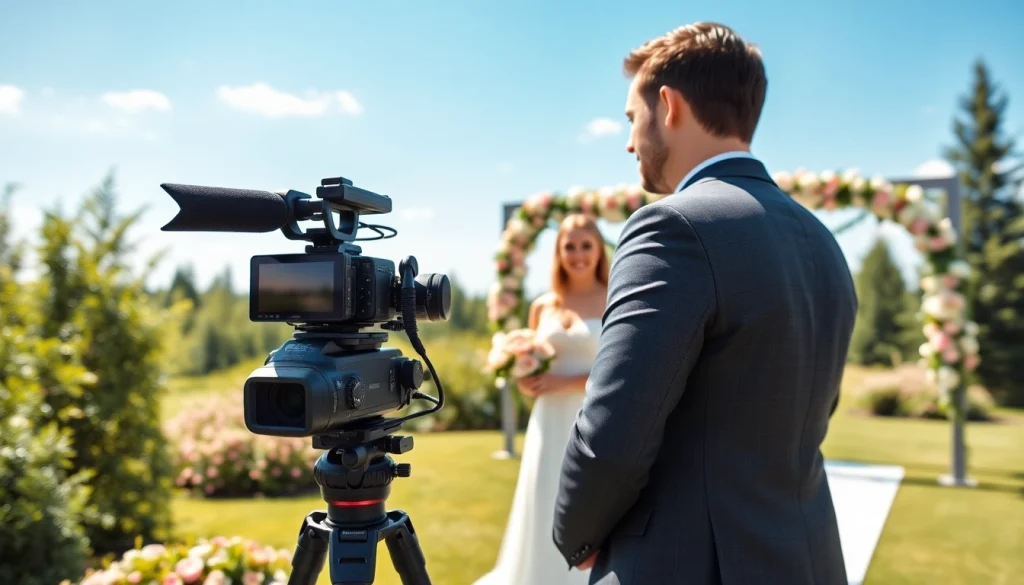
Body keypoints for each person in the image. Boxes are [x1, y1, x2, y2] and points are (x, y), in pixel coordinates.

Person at [552, 22, 857, 585]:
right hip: (808, 558)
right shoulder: (821, 240)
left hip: (688, 561)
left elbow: (613, 434)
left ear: (667, 105)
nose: (628, 141)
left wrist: (575, 535)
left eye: (630, 118)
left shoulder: (672, 228)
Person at [474, 213, 610, 585]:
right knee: (544, 496)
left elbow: (622, 369)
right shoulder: (543, 305)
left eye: (586, 245)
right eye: (569, 246)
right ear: (558, 252)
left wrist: (565, 383)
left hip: (592, 418)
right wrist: (524, 379)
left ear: (599, 250)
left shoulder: (615, 296)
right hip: (547, 421)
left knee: (587, 503)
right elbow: (530, 372)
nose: (578, 254)